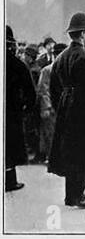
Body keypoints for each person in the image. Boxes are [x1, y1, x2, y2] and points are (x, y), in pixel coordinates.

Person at [48, 12, 85, 209]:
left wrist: (61, 107)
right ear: (83, 34)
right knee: (84, 156)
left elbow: (53, 87)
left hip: (66, 111)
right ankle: (78, 195)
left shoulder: (61, 58)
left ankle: (70, 195)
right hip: (84, 113)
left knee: (71, 155)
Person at [5, 25, 37, 191]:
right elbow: (31, 93)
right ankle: (9, 181)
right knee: (10, 147)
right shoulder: (18, 65)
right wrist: (26, 109)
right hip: (12, 113)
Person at [36, 43, 67, 163]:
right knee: (51, 134)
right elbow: (43, 90)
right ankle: (52, 157)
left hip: (66, 107)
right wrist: (46, 108)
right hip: (52, 108)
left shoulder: (69, 69)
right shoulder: (48, 70)